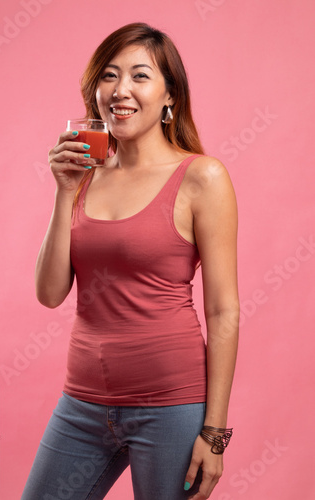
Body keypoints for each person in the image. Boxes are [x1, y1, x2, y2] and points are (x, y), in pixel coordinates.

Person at [21, 22, 239, 500]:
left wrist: (213, 432)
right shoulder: (84, 173)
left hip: (170, 405)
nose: (120, 90)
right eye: (109, 76)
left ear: (169, 97)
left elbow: (223, 311)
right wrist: (63, 194)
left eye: (140, 76)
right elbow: (50, 293)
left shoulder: (201, 177)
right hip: (81, 402)